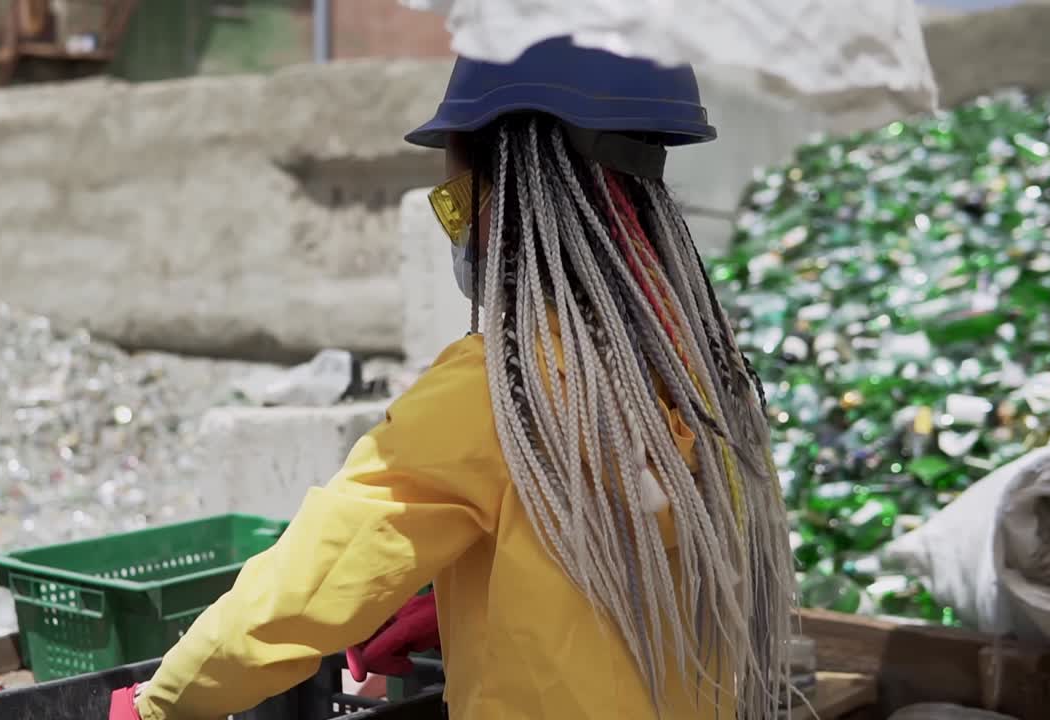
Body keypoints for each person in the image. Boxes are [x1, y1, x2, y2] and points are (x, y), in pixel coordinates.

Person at [110, 36, 795, 720]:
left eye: (455, 197)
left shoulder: (498, 389)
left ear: (508, 191)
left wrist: (156, 705)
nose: (455, 221)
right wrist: (457, 604)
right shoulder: (699, 371)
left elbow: (304, 592)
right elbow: (634, 570)